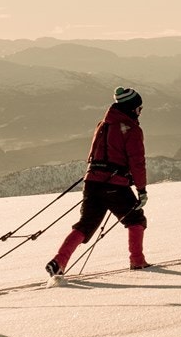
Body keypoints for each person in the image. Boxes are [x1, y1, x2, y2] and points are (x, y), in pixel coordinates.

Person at [46, 86, 151, 280]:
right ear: (132, 108)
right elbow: (137, 162)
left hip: (92, 181)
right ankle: (137, 261)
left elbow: (93, 154)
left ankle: (59, 261)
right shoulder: (131, 129)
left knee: (85, 225)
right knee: (136, 219)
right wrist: (141, 189)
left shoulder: (103, 124)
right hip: (115, 184)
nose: (140, 111)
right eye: (139, 108)